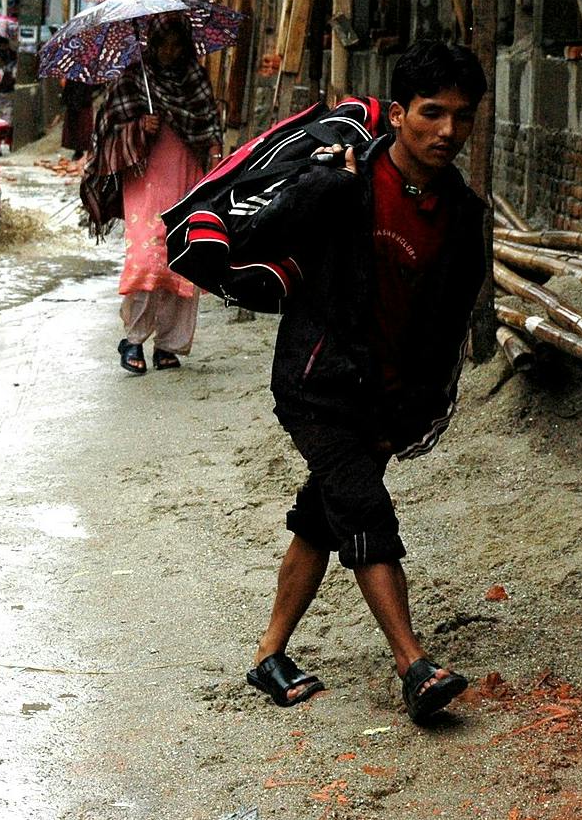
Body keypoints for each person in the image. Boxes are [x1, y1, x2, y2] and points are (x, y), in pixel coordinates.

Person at [243, 39, 487, 726]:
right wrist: (319, 187)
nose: (446, 132)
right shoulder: (345, 176)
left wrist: (421, 403)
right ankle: (415, 667)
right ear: (399, 113)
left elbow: (447, 325)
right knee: (367, 515)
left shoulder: (462, 214)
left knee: (325, 515)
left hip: (387, 398)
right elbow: (256, 237)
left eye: (462, 117)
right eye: (431, 113)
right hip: (317, 383)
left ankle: (270, 655)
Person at [91, 15, 220, 374]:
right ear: (151, 44)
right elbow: (106, 134)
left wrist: (214, 161)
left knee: (182, 258)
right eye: (162, 44)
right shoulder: (133, 80)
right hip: (144, 178)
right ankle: (133, 339)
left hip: (187, 175)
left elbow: (209, 125)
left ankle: (169, 344)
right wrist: (139, 127)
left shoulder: (194, 78)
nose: (169, 52)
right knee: (148, 257)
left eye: (176, 45)